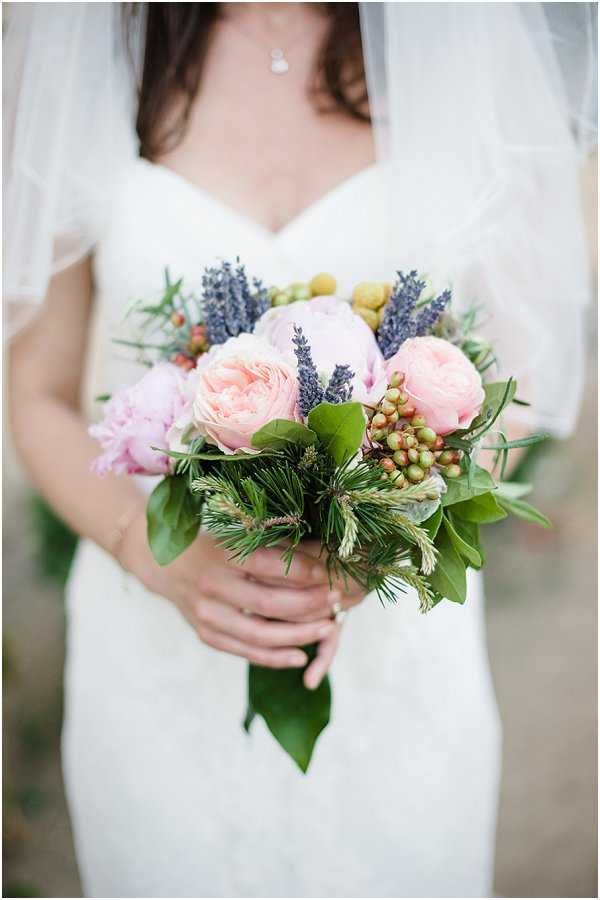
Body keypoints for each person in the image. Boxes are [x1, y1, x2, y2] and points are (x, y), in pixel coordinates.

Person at [5, 3, 594, 896]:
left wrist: (382, 533)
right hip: (154, 662)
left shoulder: (464, 44)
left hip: (394, 660)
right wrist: (155, 557)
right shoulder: (98, 47)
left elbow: (527, 387)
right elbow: (39, 393)